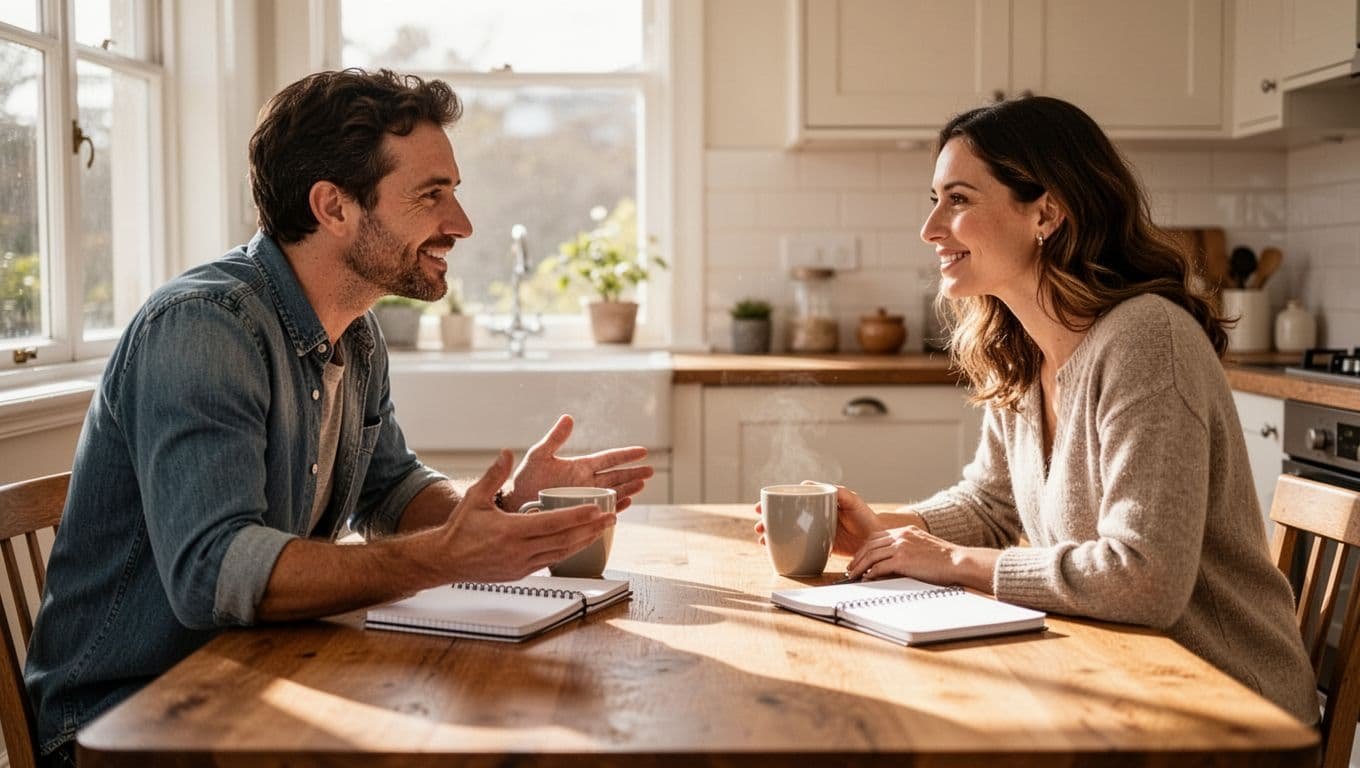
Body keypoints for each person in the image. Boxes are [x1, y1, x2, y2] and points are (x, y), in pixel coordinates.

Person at [24, 68, 654, 766]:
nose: (461, 224)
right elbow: (214, 572)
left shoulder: (353, 331)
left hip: (263, 680)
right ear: (333, 207)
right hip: (131, 723)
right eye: (431, 195)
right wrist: (438, 560)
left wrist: (502, 509)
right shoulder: (204, 329)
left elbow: (391, 490)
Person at [755, 96, 1316, 725]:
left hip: (1228, 707)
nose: (931, 228)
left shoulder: (1148, 342)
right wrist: (882, 530)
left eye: (958, 199)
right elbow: (991, 505)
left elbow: (1144, 579)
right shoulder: (1024, 347)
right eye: (934, 200)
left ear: (1045, 212)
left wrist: (948, 561)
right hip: (1116, 680)